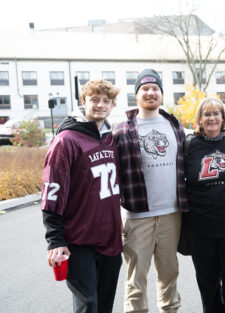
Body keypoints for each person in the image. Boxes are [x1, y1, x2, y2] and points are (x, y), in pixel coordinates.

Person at [41, 79, 122, 313]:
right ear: (83, 101)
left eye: (106, 101)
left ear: (112, 105)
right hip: (79, 240)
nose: (100, 105)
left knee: (105, 305)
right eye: (94, 100)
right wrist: (55, 239)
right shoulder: (66, 140)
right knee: (88, 305)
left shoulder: (110, 138)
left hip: (110, 238)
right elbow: (51, 190)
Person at [113, 69, 187, 313]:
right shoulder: (121, 130)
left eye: (155, 88)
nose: (150, 93)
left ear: (162, 94)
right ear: (136, 96)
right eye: (144, 89)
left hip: (171, 213)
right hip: (136, 215)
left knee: (169, 275)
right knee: (136, 280)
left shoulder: (175, 125)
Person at [184, 97, 225, 313]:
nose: (211, 118)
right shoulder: (189, 145)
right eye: (206, 114)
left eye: (216, 113)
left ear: (223, 117)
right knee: (208, 283)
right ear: (200, 119)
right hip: (201, 226)